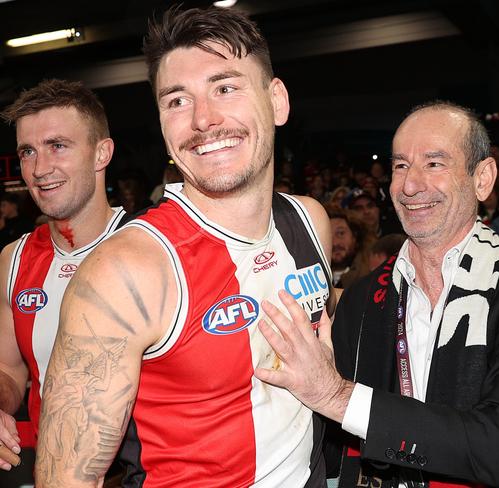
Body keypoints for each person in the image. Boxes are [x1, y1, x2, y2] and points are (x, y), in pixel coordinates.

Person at [35, 6, 332, 488]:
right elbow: (66, 479)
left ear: (276, 100)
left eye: (225, 87)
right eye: (177, 101)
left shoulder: (309, 220)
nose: (203, 120)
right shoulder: (127, 271)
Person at [255, 101, 499, 487]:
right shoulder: (361, 300)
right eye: (401, 166)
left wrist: (338, 396)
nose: (409, 185)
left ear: (483, 178)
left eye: (434, 163)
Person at [0, 79, 126, 471]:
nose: (39, 169)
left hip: (141, 474)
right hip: (49, 469)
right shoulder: (14, 260)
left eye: (58, 146)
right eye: (28, 151)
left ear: (101, 153)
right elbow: (9, 369)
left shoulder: (152, 250)